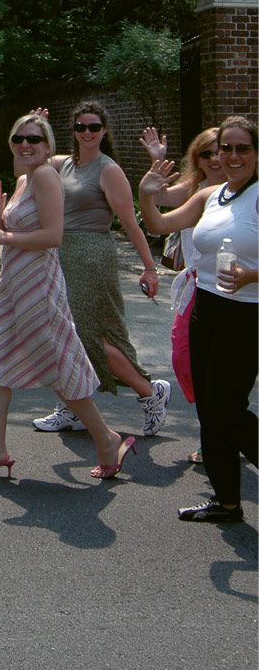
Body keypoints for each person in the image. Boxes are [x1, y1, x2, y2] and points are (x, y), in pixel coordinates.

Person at [0, 115, 135, 481]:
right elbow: (21, 229)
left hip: (38, 283)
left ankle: (106, 439)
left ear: (47, 145)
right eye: (19, 138)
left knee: (55, 361)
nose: (26, 145)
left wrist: (2, 236)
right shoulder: (24, 179)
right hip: (12, 281)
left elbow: (53, 236)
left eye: (34, 139)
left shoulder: (44, 175)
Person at [139, 116, 258, 524]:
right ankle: (227, 503)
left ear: (256, 153)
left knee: (228, 407)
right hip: (206, 308)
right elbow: (158, 224)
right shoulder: (211, 195)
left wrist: (251, 274)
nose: (232, 156)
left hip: (248, 314)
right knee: (209, 407)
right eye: (226, 148)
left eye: (243, 148)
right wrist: (146, 195)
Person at [32, 100, 170, 438]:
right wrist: (36, 126)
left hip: (92, 255)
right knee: (61, 334)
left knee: (89, 336)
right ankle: (72, 408)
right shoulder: (60, 164)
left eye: (94, 127)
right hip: (60, 254)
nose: (88, 133)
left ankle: (151, 393)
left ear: (104, 131)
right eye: (81, 127)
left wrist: (149, 267)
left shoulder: (108, 170)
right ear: (74, 131)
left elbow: (130, 223)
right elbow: (30, 159)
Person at [138, 125, 224, 461]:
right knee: (185, 359)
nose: (215, 158)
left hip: (240, 290)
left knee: (225, 367)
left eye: (222, 150)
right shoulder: (195, 190)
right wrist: (155, 168)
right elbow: (159, 206)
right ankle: (220, 426)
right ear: (197, 159)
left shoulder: (249, 192)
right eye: (207, 153)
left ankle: (217, 437)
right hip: (197, 288)